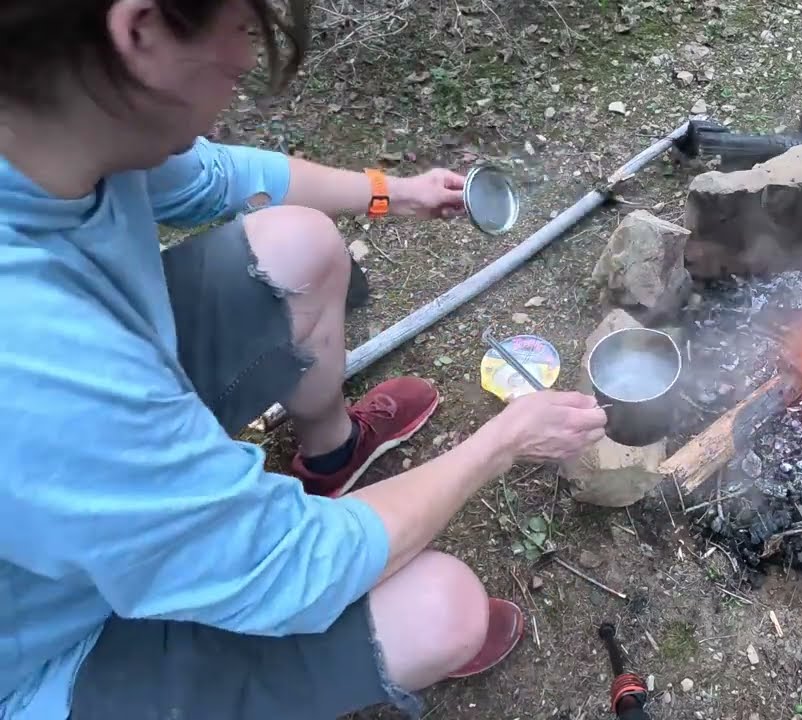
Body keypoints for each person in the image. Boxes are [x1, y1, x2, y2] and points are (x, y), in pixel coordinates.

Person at [0, 0, 610, 718]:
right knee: (441, 607)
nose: (245, 61)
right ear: (140, 31)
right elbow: (290, 567)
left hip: (92, 472)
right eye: (242, 30)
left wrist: (393, 194)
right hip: (46, 649)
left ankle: (333, 457)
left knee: (300, 248)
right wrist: (502, 441)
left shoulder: (52, 125)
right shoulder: (35, 361)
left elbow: (215, 177)